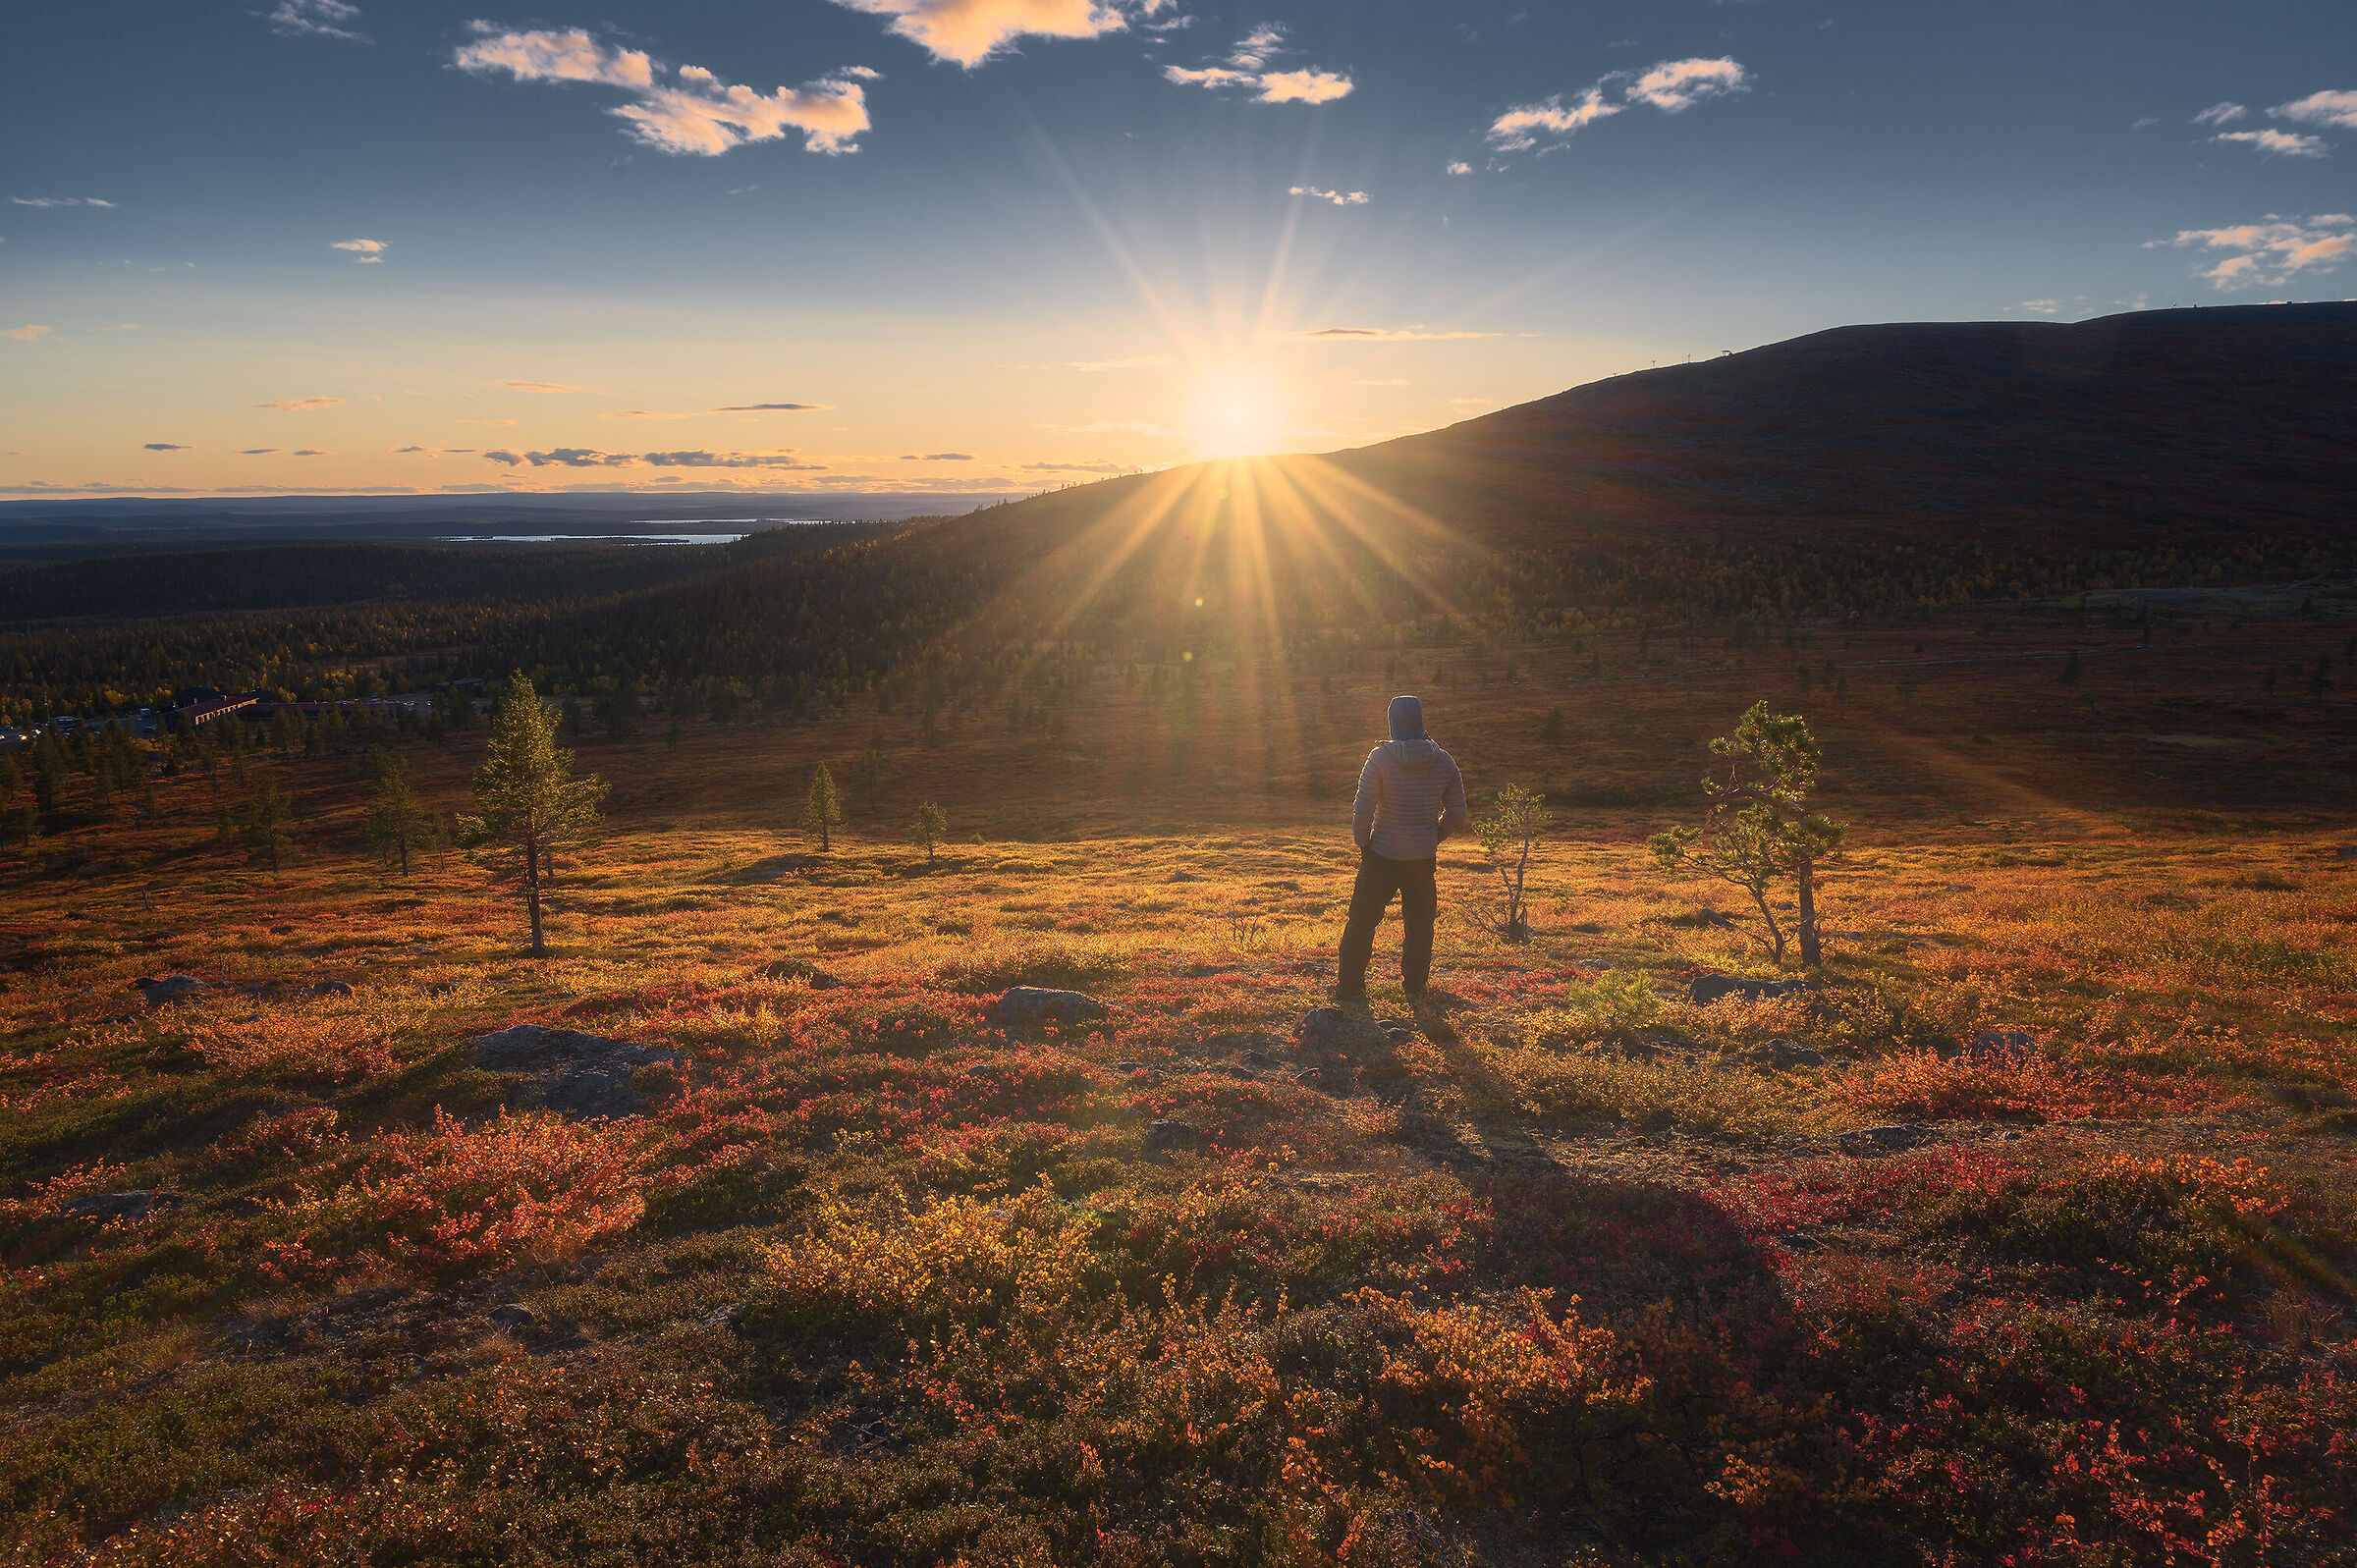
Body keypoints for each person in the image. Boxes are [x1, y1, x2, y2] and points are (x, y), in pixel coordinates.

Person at [1336, 694, 1468, 1001]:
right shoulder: (1444, 760)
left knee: (1362, 921)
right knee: (1420, 926)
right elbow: (1458, 811)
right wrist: (1434, 836)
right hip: (1422, 859)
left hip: (1381, 854)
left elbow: (1363, 808)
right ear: (1420, 722)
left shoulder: (1379, 758)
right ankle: (1415, 988)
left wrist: (1364, 843)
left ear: (1392, 723)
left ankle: (1350, 987)